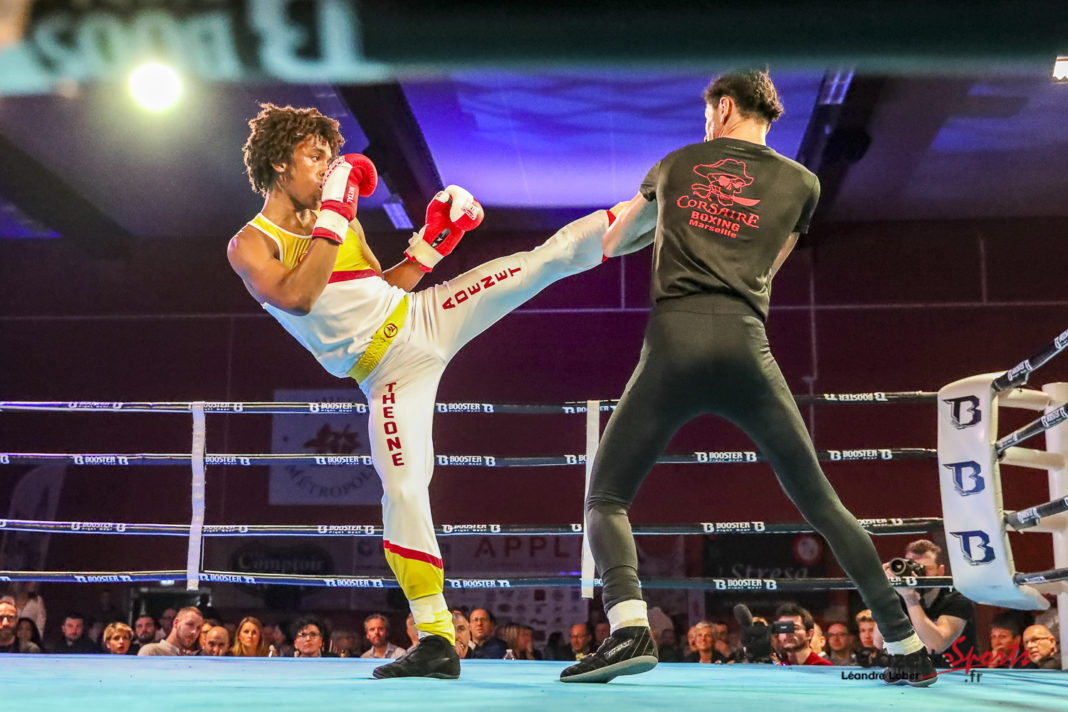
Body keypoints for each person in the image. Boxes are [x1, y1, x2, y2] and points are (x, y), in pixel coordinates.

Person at [565, 69, 934, 687]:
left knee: (607, 497)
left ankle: (629, 625)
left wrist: (672, 220)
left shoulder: (679, 162)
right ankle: (904, 645)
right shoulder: (804, 184)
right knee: (822, 503)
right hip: (745, 342)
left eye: (707, 112)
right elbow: (770, 267)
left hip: (675, 341)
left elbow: (616, 235)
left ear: (725, 107)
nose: (705, 124)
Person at [229, 103, 615, 679]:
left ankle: (649, 211)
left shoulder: (345, 222)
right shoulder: (251, 245)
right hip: (386, 375)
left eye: (331, 159)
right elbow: (303, 297)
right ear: (280, 163)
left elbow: (378, 290)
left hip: (423, 317)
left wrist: (434, 243)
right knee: (404, 490)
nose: (329, 168)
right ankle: (436, 637)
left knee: (541, 263)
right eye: (317, 158)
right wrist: (336, 208)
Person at [874, 539, 977, 669]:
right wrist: (886, 593)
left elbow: (935, 645)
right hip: (913, 675)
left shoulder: (957, 597)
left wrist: (910, 598)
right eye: (912, 567)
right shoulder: (899, 595)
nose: (916, 574)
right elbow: (879, 642)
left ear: (940, 571)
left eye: (925, 569)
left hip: (957, 675)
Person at [138, 607, 203, 656]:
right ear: (176, 623)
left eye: (198, 628)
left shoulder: (190, 657)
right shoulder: (151, 651)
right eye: (190, 624)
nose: (194, 631)